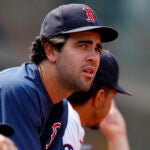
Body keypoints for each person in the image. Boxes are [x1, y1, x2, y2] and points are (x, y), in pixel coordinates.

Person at [0, 3, 118, 150]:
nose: (94, 57)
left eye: (97, 49)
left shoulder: (60, 107)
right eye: (83, 46)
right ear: (51, 51)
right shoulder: (19, 91)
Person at [63, 52, 132, 150]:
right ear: (100, 98)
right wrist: (118, 137)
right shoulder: (68, 126)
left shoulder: (52, 113)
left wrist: (117, 134)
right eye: (111, 98)